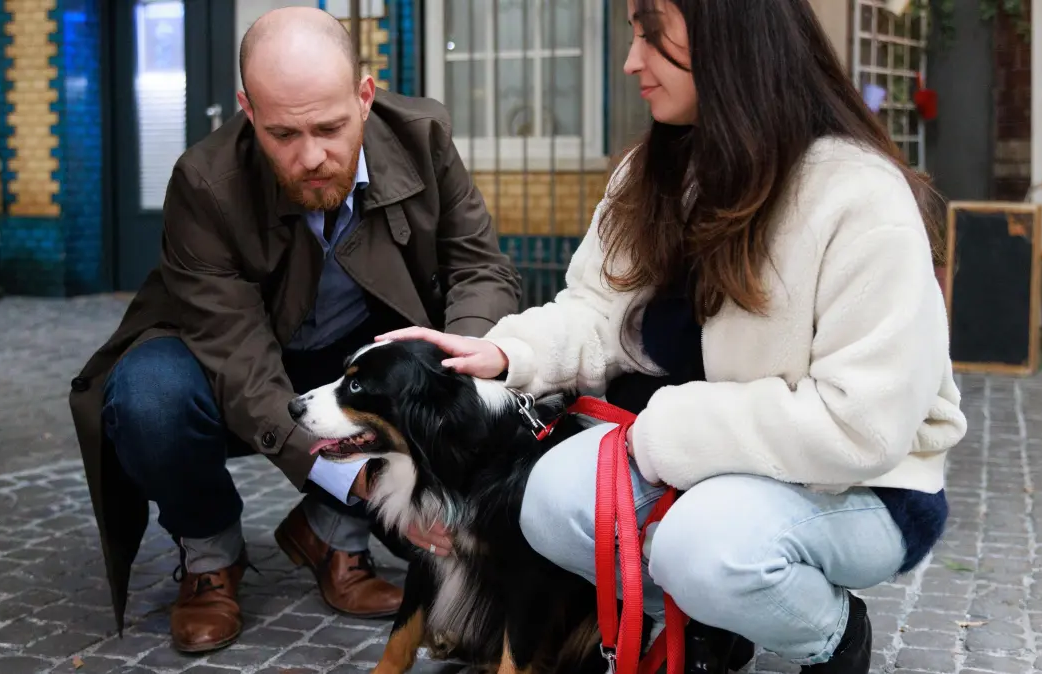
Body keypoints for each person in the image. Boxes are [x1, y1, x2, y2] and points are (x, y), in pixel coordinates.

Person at [377, 0, 968, 673]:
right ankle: (712, 617)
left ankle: (830, 633)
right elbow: (597, 308)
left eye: (651, 36)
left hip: (862, 486)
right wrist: (508, 353)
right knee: (544, 503)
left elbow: (861, 425)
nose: (632, 60)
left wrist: (663, 431)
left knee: (703, 545)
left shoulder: (861, 196)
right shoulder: (655, 171)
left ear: (730, 39)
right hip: (706, 462)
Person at [67, 6, 521, 655]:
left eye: (331, 128)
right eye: (283, 134)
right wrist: (360, 480)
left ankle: (330, 535)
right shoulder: (203, 182)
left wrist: (460, 370)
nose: (312, 156)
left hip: (348, 365)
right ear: (249, 110)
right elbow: (242, 366)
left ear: (364, 97)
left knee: (428, 502)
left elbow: (479, 266)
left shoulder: (423, 136)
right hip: (223, 368)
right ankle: (209, 558)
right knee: (150, 398)